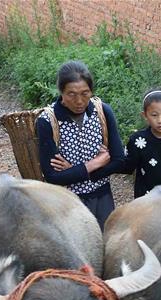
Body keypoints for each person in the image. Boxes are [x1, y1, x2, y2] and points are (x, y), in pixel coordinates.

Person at [36, 60, 125, 229]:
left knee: (106, 246)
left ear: (91, 91)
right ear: (61, 92)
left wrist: (75, 171)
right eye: (71, 94)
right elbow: (52, 177)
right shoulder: (48, 121)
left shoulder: (102, 112)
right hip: (68, 203)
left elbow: (119, 160)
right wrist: (95, 163)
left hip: (103, 199)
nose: (79, 101)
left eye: (85, 93)